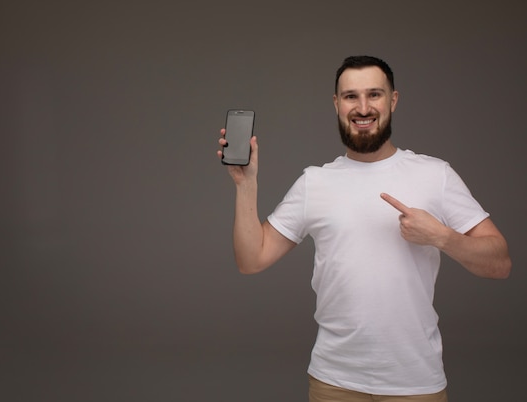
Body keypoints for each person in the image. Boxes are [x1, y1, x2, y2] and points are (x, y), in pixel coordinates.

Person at [216, 55, 511, 402]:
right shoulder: (315, 182)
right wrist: (245, 184)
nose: (363, 107)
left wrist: (441, 237)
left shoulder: (436, 175)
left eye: (375, 94)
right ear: (337, 104)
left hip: (415, 383)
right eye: (351, 96)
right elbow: (252, 260)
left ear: (393, 100)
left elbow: (500, 264)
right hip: (333, 382)